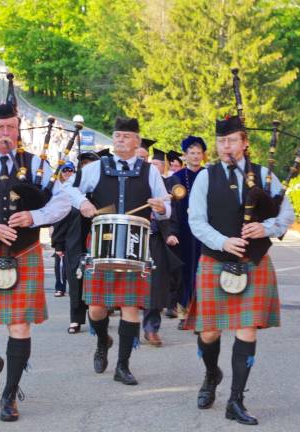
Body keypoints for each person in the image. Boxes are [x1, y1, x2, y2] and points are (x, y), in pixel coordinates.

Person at [0, 102, 70, 422]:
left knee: (18, 325)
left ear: (18, 129)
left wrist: (35, 216)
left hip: (23, 253)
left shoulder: (37, 165)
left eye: (11, 128)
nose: (5, 134)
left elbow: (63, 201)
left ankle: (9, 395)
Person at [185, 116, 294, 425]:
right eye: (221, 142)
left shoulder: (265, 175)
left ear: (245, 142)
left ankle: (236, 400)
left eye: (231, 140)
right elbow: (196, 220)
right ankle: (211, 374)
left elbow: (287, 213)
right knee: (208, 332)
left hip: (254, 262)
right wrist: (222, 241)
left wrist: (267, 227)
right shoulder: (206, 177)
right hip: (216, 260)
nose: (225, 147)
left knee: (246, 329)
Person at [67, 117, 171, 385]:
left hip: (135, 247)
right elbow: (70, 189)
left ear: (137, 141)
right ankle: (103, 340)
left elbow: (166, 207)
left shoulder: (151, 172)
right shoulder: (97, 168)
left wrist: (160, 208)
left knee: (130, 307)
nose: (120, 140)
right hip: (102, 244)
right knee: (97, 309)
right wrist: (83, 204)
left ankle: (123, 366)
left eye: (126, 136)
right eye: (117, 135)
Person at [50, 152, 100, 334]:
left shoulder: (101, 192)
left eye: (91, 164)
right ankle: (76, 319)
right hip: (74, 245)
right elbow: (60, 220)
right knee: (75, 280)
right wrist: (58, 245)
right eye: (84, 164)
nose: (87, 167)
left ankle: (97, 318)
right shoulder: (71, 192)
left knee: (96, 281)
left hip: (97, 245)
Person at [143, 148, 182, 347]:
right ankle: (128, 327)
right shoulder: (133, 182)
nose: (152, 167)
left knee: (156, 283)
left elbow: (172, 215)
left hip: (156, 238)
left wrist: (170, 233)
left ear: (164, 166)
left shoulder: (169, 187)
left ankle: (151, 327)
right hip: (133, 236)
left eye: (157, 164)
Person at [171, 135, 206, 328]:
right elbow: (172, 208)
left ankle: (200, 312)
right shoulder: (176, 178)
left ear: (203, 155)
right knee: (184, 270)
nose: (195, 156)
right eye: (191, 153)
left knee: (201, 269)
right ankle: (184, 312)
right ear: (185, 155)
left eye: (198, 153)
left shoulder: (208, 176)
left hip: (203, 230)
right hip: (183, 230)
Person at [51, 161, 75, 297]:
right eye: (64, 170)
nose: (67, 172)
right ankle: (60, 287)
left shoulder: (77, 186)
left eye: (70, 170)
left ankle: (74, 288)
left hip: (75, 230)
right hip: (61, 229)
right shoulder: (57, 188)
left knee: (73, 263)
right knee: (60, 260)